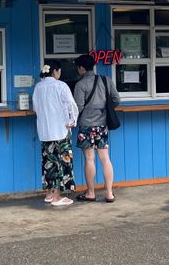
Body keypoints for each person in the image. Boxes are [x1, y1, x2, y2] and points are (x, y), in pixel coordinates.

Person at [72, 53, 120, 203]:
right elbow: (116, 99)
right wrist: (105, 110)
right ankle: (109, 193)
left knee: (89, 158)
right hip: (102, 125)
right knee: (105, 158)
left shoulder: (80, 85)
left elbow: (78, 107)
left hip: (86, 125)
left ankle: (91, 193)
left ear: (81, 68)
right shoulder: (106, 80)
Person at [32, 59, 78, 206]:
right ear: (55, 71)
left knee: (48, 162)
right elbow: (71, 104)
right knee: (61, 162)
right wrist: (72, 121)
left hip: (45, 131)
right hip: (60, 130)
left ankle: (49, 194)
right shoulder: (61, 85)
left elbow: (35, 108)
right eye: (59, 71)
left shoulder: (38, 87)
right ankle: (58, 197)